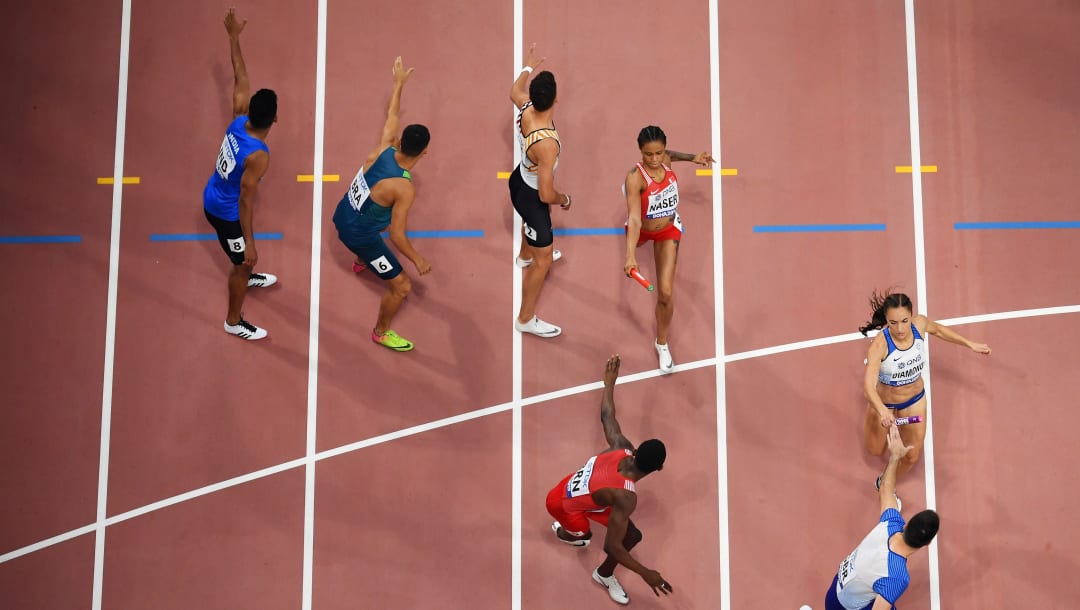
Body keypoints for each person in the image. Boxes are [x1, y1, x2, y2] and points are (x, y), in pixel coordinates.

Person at [545, 355, 673, 605]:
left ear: (636, 451)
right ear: (659, 468)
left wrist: (609, 383)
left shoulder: (621, 446)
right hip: (562, 505)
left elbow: (607, 416)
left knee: (633, 535)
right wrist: (646, 574)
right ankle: (569, 533)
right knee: (587, 536)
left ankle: (603, 574)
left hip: (574, 489)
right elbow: (614, 546)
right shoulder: (626, 498)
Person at [332, 56, 432, 352]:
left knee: (371, 224)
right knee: (402, 286)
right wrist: (418, 260)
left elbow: (392, 114)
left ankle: (361, 261)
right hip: (358, 235)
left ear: (400, 142)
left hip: (342, 213)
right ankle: (381, 332)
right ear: (424, 153)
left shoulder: (383, 148)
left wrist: (398, 83)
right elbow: (398, 236)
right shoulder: (404, 188)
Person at [203, 8, 278, 341]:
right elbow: (246, 200)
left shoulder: (237, 120)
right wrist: (249, 243)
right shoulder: (258, 155)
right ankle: (233, 320)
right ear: (274, 120)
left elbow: (240, 76)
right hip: (225, 212)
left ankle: (246, 271)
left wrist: (234, 37)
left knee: (242, 258)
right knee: (242, 262)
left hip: (214, 193)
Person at [859, 290, 992, 476]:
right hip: (884, 402)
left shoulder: (919, 324)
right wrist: (882, 410)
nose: (900, 329)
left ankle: (885, 483)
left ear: (911, 316)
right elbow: (867, 389)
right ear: (886, 321)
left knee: (912, 457)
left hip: (914, 400)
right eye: (893, 323)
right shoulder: (879, 346)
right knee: (874, 451)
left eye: (905, 321)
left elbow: (938, 330)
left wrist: (970, 344)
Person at [623, 126, 714, 373]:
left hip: (668, 230)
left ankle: (661, 343)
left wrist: (692, 157)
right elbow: (633, 219)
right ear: (640, 151)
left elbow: (671, 155)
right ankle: (636, 246)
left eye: (658, 153)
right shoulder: (635, 177)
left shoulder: (664, 159)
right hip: (642, 229)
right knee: (634, 234)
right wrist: (630, 255)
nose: (654, 160)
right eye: (647, 155)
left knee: (664, 293)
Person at [824, 424, 940, 610]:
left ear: (907, 524)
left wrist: (895, 457)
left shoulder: (891, 523)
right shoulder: (897, 577)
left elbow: (886, 488)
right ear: (927, 544)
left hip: (834, 589)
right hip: (844, 607)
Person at [509, 45, 572, 338]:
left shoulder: (525, 107)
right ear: (556, 99)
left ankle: (524, 255)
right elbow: (547, 196)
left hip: (519, 181)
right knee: (544, 259)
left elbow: (513, 90)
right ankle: (525, 317)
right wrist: (565, 199)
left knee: (531, 225)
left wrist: (527, 67)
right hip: (533, 196)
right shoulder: (547, 144)